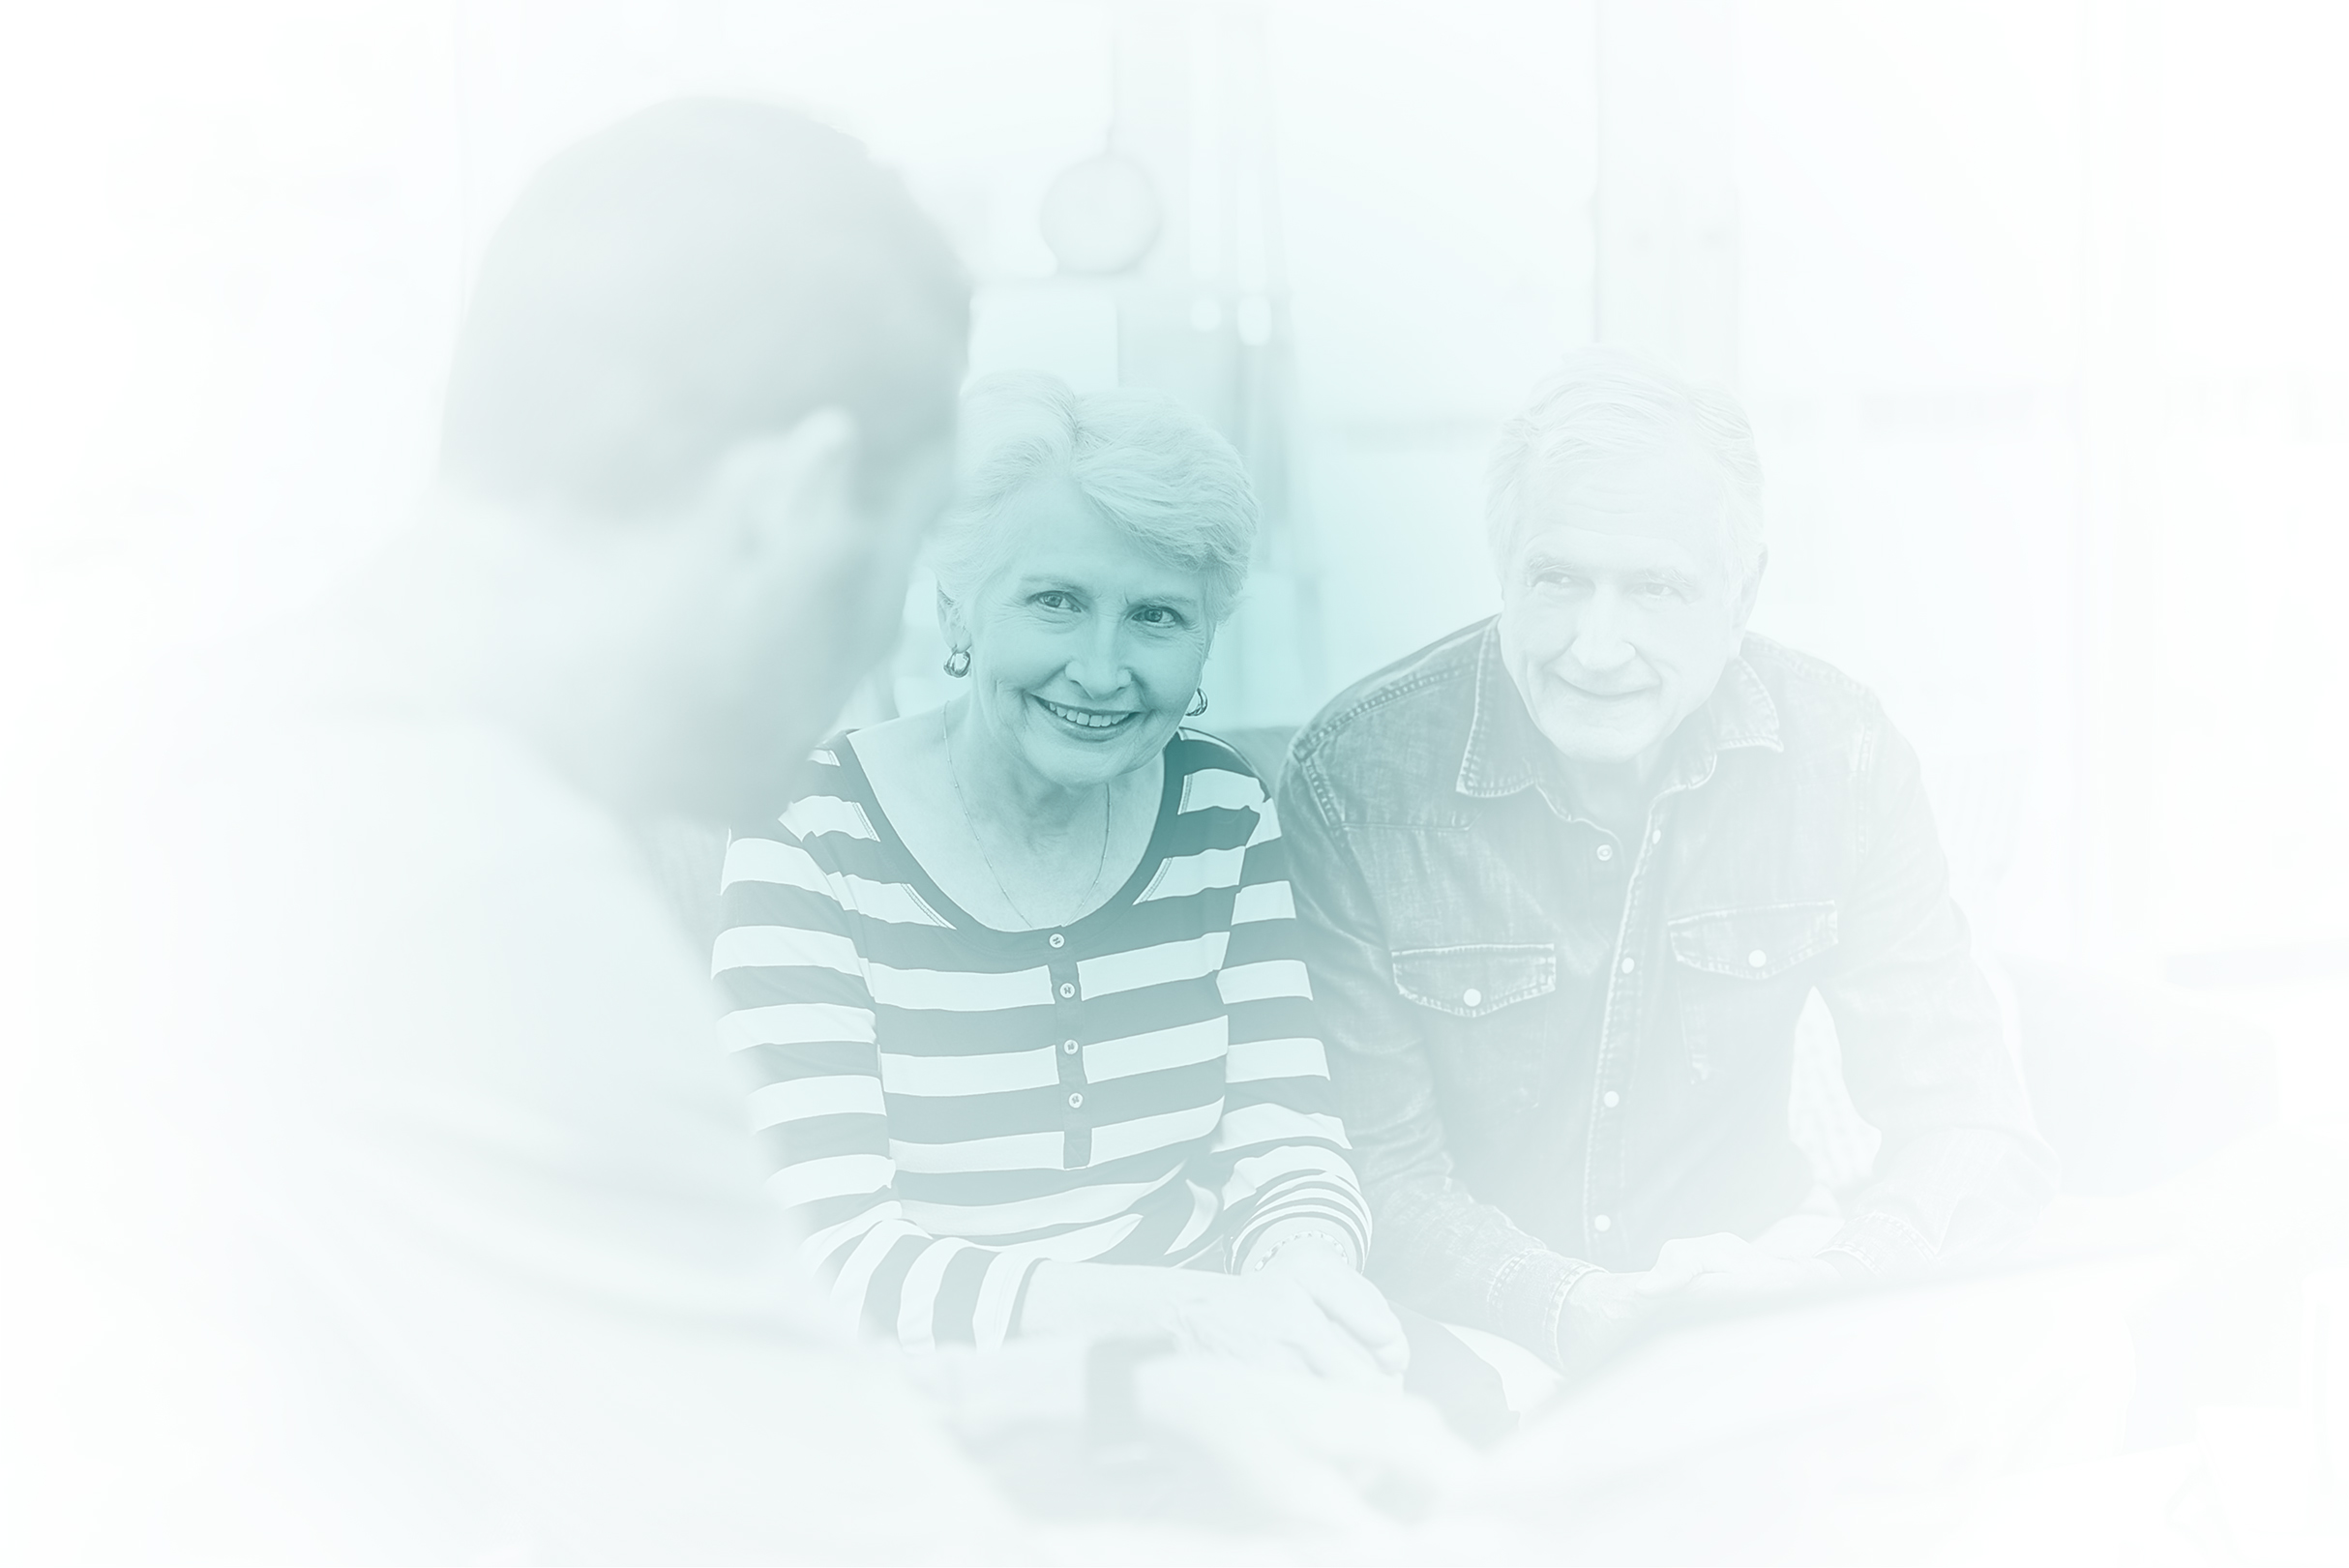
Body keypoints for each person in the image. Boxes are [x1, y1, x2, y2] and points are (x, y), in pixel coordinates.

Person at [7, 100, 1459, 1561]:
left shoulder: (202, 759)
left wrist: (1117, 1403)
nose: (865, 674)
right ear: (800, 497)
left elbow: (647, 1385)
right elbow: (809, 1518)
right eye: (902, 576)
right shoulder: (485, 900)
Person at [1274, 348, 2060, 1374]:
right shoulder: (1357, 781)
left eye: (1655, 588)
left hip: (1765, 1301)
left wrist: (1827, 1284)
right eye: (1557, 579)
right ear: (1502, 566)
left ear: (1743, 595)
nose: (1597, 646)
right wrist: (1579, 1311)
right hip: (1474, 1340)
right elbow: (1374, 1174)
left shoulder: (1841, 753)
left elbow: (1970, 1118)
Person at [712, 370, 1408, 1382]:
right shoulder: (807, 830)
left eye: (1157, 616)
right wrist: (1175, 1314)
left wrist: (1300, 1274)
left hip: (1214, 1362)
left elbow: (1285, 1134)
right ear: (957, 611)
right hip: (940, 1395)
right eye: (1055, 601)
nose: (1099, 667)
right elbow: (829, 1251)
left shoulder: (1220, 807)